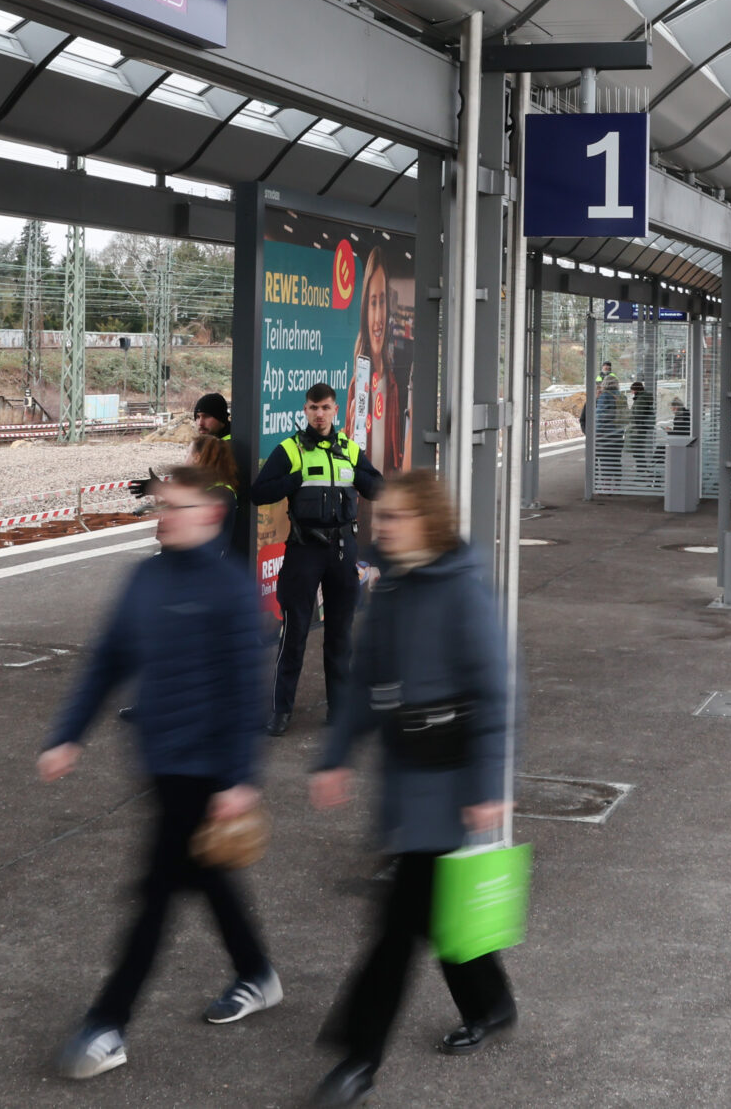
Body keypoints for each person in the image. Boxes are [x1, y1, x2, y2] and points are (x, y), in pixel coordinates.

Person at [41, 464, 278, 1080]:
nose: (164, 516)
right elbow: (107, 662)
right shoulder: (143, 579)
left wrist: (238, 778)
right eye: (161, 506)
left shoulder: (229, 588)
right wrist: (68, 734)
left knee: (154, 898)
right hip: (161, 761)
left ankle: (107, 1026)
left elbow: (246, 693)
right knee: (209, 875)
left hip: (205, 769)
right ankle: (256, 972)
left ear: (211, 514)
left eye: (177, 506)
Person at [308, 469, 515, 1107]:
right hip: (407, 778)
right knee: (441, 912)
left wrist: (487, 785)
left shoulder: (461, 594)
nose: (380, 527)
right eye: (381, 518)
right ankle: (492, 1002)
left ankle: (358, 1058)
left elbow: (496, 695)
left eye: (394, 519)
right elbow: (367, 683)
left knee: (397, 928)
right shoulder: (392, 590)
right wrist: (336, 755)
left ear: (427, 523)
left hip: (451, 783)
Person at [249, 383, 383, 736]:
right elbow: (258, 493)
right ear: (305, 411)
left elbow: (378, 487)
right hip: (304, 551)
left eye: (325, 408)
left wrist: (355, 474)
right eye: (313, 408)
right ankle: (280, 712)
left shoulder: (349, 450)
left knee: (340, 636)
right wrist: (295, 479)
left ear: (335, 411)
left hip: (342, 553)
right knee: (293, 634)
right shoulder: (290, 450)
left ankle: (339, 710)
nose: (319, 414)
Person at [346, 249, 411, 474]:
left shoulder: (395, 383)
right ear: (365, 310)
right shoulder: (358, 385)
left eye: (382, 302)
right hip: (363, 502)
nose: (378, 318)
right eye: (373, 303)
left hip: (388, 499)